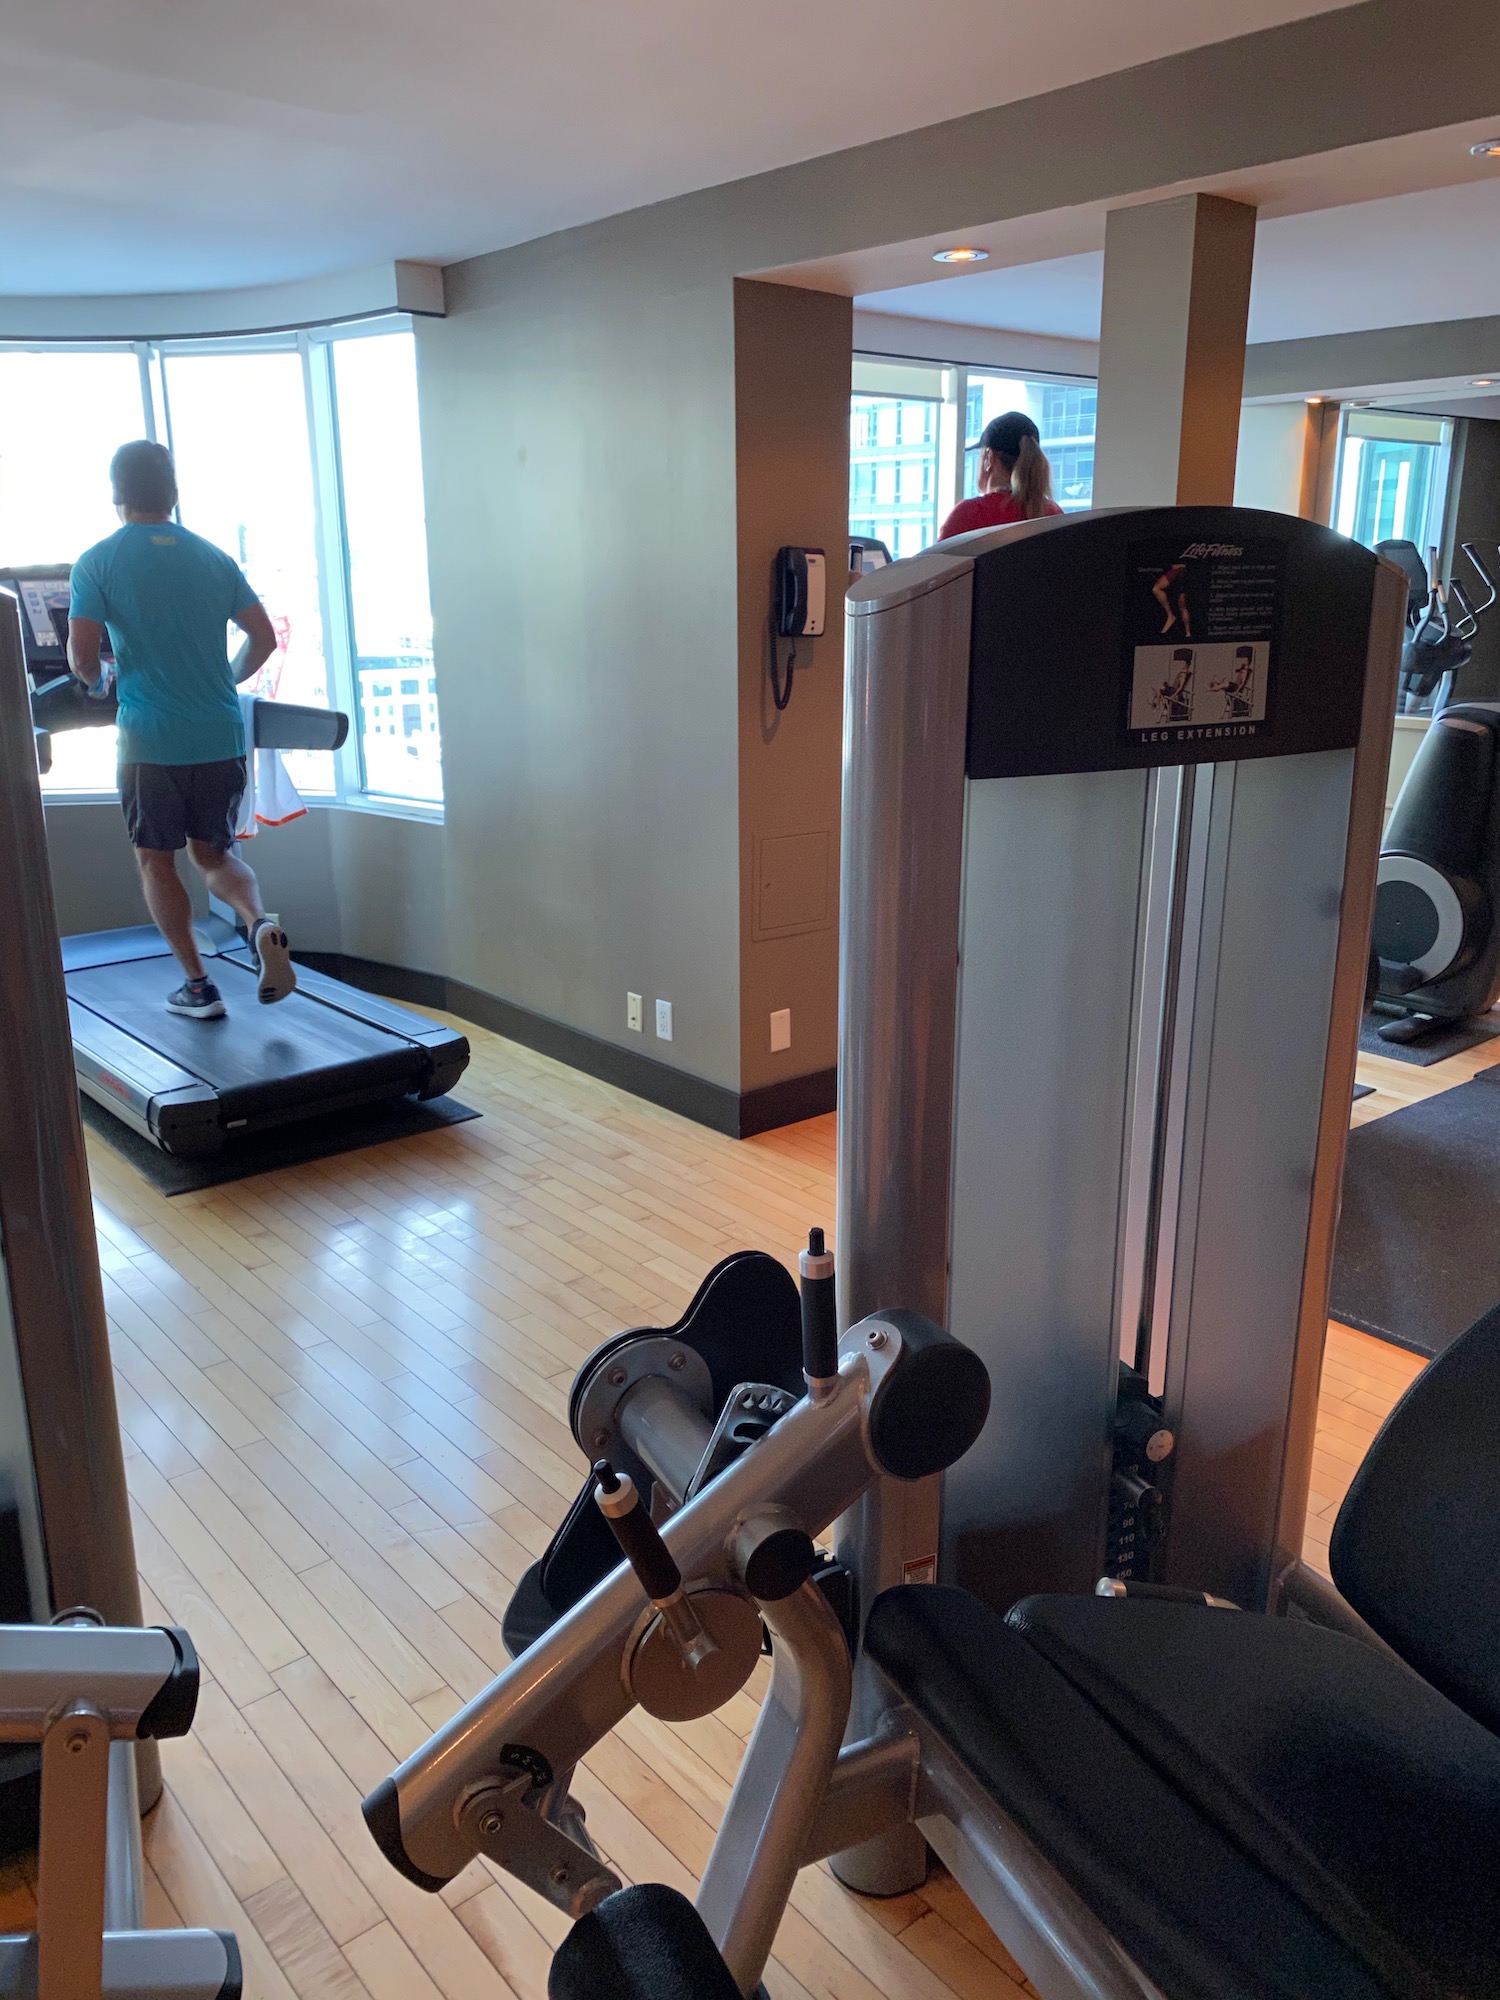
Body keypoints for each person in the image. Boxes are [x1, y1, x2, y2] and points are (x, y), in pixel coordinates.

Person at [67, 440, 296, 1020]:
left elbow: (83, 658)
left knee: (157, 862)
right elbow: (265, 639)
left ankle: (199, 986)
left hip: (150, 741)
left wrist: (99, 681)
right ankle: (259, 923)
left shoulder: (98, 561)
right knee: (216, 854)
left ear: (117, 494)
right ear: (173, 493)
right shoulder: (214, 558)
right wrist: (221, 679)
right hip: (219, 736)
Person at [938, 411, 1064, 539]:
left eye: (980, 456)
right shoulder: (1053, 514)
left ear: (989, 458)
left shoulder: (969, 515)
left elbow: (937, 559)